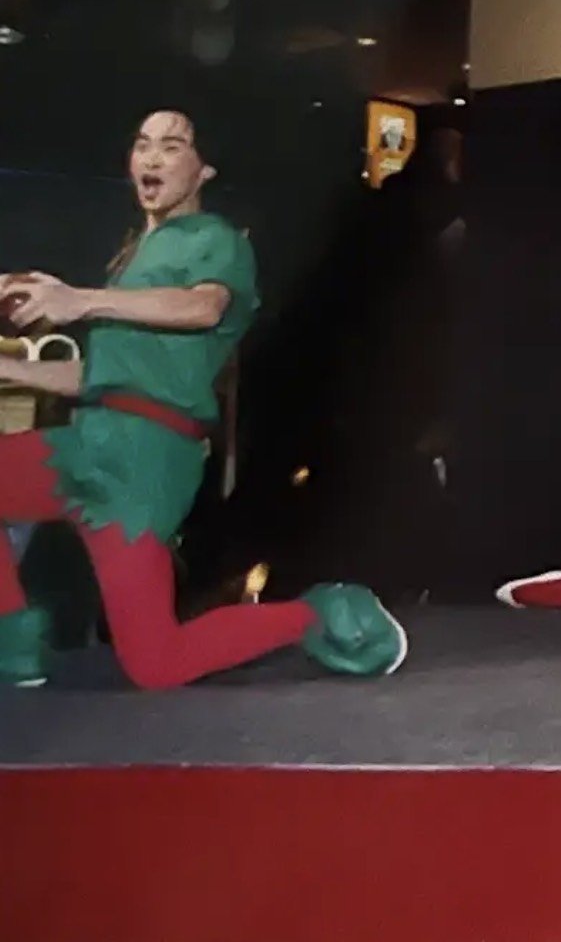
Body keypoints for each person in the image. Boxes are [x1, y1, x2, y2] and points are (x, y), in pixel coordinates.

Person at [0, 109, 405, 690]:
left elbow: (203, 307)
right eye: (142, 145)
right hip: (89, 446)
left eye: (171, 146)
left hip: (143, 465)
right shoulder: (135, 254)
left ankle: (323, 615)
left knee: (155, 663)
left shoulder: (216, 241)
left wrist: (80, 301)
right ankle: (13, 644)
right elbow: (108, 375)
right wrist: (9, 363)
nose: (152, 158)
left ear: (204, 167)